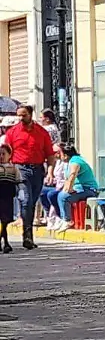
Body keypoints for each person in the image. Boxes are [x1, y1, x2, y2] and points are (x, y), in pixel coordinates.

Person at [5, 104, 57, 249]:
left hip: (38, 170)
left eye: (24, 115)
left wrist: (51, 171)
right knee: (25, 200)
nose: (21, 118)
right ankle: (26, 235)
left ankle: (29, 235)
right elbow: (6, 154)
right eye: (19, 115)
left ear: (30, 114)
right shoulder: (12, 132)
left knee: (32, 202)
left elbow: (50, 155)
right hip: (20, 169)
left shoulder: (42, 132)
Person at [0, 144, 18, 253]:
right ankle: (5, 242)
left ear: (9, 155)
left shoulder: (13, 168)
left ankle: (5, 241)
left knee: (5, 221)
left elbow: (19, 181)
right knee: (2, 220)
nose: (1, 156)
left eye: (3, 154)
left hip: (8, 198)